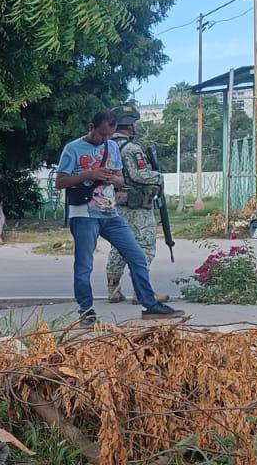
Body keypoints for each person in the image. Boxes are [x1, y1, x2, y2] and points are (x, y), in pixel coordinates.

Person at [56, 109, 179, 325]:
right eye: (101, 134)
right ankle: (86, 311)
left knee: (137, 256)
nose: (104, 139)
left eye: (109, 135)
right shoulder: (72, 149)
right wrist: (90, 175)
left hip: (109, 212)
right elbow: (61, 182)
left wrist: (114, 179)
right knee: (84, 264)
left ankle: (149, 304)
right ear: (91, 127)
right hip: (84, 213)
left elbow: (122, 179)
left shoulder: (112, 147)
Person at [105, 111, 167, 304]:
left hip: (116, 203)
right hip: (137, 206)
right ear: (130, 127)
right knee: (146, 245)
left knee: (119, 246)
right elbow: (139, 175)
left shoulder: (107, 146)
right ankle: (142, 291)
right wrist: (158, 177)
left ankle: (113, 289)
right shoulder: (132, 148)